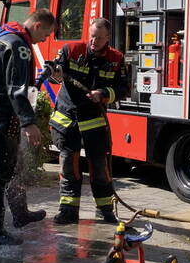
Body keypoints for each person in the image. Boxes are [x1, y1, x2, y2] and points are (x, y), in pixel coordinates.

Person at [0, 9, 56, 245]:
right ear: (38, 25)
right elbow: (17, 89)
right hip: (2, 115)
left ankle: (19, 213)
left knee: (12, 166)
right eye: (46, 34)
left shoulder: (0, 36)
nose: (44, 40)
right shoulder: (19, 45)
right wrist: (29, 122)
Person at [44, 18, 129, 225]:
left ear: (108, 38)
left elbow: (123, 89)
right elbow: (56, 74)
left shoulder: (116, 59)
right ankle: (68, 211)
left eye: (99, 38)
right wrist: (55, 73)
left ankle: (105, 211)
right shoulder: (72, 50)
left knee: (99, 166)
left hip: (94, 119)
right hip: (67, 118)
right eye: (91, 36)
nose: (94, 41)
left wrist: (103, 93)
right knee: (68, 165)